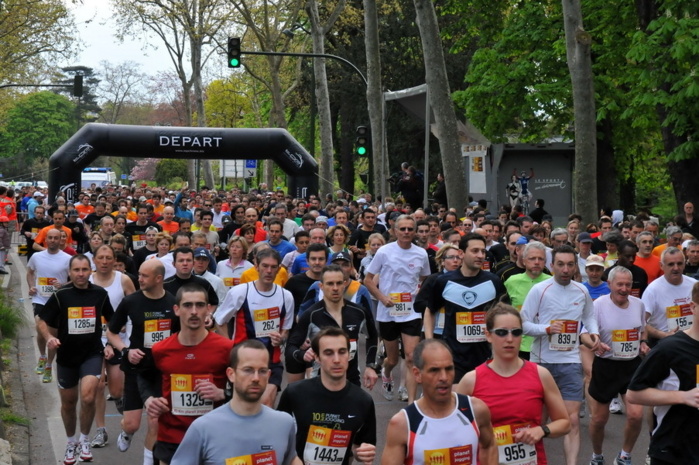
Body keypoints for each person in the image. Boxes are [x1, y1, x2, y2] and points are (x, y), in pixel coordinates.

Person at [456, 303, 570, 465]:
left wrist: (541, 430)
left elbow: (564, 423)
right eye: (501, 333)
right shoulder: (471, 380)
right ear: (488, 335)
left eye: (516, 333)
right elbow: (455, 431)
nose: (509, 339)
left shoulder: (540, 374)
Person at [521, 245, 600, 465]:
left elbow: (590, 317)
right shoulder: (540, 290)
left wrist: (592, 333)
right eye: (560, 264)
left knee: (571, 420)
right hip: (542, 363)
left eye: (570, 264)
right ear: (551, 265)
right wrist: (545, 329)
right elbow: (523, 324)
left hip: (570, 361)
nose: (565, 269)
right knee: (539, 421)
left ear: (576, 266)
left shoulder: (582, 291)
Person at [139, 283, 234, 464]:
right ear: (176, 309)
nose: (194, 311)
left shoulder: (226, 348)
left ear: (208, 309)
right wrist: (149, 399)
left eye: (199, 305)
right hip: (172, 437)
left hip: (215, 436)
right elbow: (144, 376)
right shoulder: (160, 349)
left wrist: (224, 393)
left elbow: (246, 388)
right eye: (187, 305)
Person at [36, 254, 115, 465]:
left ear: (91, 271)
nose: (81, 274)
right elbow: (42, 321)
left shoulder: (100, 294)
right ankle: (71, 442)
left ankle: (85, 439)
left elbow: (113, 320)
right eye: (76, 270)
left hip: (91, 353)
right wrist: (50, 338)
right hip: (66, 356)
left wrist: (110, 343)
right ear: (70, 272)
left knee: (88, 397)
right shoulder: (61, 295)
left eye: (84, 270)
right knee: (69, 403)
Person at [170, 339, 300, 465]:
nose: (256, 378)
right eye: (248, 370)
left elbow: (291, 459)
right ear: (231, 374)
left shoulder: (284, 423)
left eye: (262, 371)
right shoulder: (203, 428)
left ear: (269, 375)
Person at [381, 339, 497, 465]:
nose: (444, 377)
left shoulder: (476, 410)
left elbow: (490, 446)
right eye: (434, 370)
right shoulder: (402, 424)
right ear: (417, 374)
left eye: (449, 369)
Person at [107, 259, 178, 464]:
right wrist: (126, 350)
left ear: (158, 278)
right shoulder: (131, 302)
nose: (139, 279)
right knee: (132, 424)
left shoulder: (172, 303)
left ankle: (148, 461)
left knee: (155, 421)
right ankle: (126, 433)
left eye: (144, 276)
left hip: (161, 371)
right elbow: (111, 333)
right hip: (136, 370)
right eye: (139, 274)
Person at [580, 266, 649, 465]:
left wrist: (643, 343)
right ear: (610, 284)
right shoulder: (599, 305)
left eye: (628, 284)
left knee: (636, 416)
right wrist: (593, 342)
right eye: (620, 284)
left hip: (631, 366)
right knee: (599, 420)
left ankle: (624, 455)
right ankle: (597, 455)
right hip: (606, 366)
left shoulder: (638, 304)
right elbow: (584, 334)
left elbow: (642, 331)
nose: (624, 289)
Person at [278, 327, 376, 465]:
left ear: (349, 355)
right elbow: (277, 438)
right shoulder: (295, 393)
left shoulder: (363, 401)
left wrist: (362, 453)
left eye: (342, 352)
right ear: (317, 357)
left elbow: (360, 447)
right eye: (328, 353)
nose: (336, 359)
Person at [627, 281, 699, 465]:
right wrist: (682, 397)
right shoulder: (669, 349)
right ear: (693, 307)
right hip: (673, 450)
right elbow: (634, 393)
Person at [215, 247, 295, 407]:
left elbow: (286, 329)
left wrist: (281, 338)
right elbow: (219, 320)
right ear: (256, 266)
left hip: (271, 360)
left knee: (266, 402)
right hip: (244, 360)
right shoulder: (240, 292)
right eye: (265, 266)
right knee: (243, 406)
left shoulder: (286, 296)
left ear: (279, 269)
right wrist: (231, 347)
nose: (269, 271)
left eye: (273, 267)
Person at [364, 215, 431, 403]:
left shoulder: (421, 253)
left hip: (410, 311)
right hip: (388, 311)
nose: (407, 232)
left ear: (415, 231)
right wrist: (382, 298)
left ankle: (410, 401)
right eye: (403, 229)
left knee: (410, 357)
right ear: (395, 231)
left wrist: (416, 291)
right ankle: (386, 372)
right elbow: (367, 281)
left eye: (410, 229)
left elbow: (425, 277)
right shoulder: (384, 252)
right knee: (392, 359)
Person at [424, 233, 507, 379]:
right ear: (461, 253)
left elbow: (504, 316)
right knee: (458, 400)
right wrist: (430, 342)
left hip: (486, 356)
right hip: (453, 356)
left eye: (483, 251)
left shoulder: (493, 281)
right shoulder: (443, 281)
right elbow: (430, 310)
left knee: (481, 401)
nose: (480, 255)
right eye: (475, 251)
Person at [286, 265, 378, 388]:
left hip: (351, 381)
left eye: (339, 283)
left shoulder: (359, 312)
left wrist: (370, 366)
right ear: (321, 286)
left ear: (345, 284)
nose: (335, 288)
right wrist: (302, 355)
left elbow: (372, 336)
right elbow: (291, 346)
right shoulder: (312, 315)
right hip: (319, 383)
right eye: (330, 284)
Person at [88, 244, 137, 448]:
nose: (105, 261)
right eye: (101, 257)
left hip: (118, 339)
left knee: (116, 389)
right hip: (92, 340)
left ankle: (125, 414)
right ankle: (101, 431)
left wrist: (130, 339)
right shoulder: (87, 280)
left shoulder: (123, 280)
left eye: (109, 258)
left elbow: (135, 307)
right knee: (99, 385)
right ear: (95, 260)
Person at [26, 228, 72, 383]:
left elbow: (74, 279)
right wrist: (31, 286)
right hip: (40, 298)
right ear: (45, 239)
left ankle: (48, 365)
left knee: (52, 334)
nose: (52, 240)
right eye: (50, 238)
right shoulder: (37, 256)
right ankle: (42, 355)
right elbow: (30, 273)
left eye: (56, 238)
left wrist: (63, 285)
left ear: (61, 240)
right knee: (40, 328)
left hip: (57, 300)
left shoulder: (67, 258)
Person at [642, 246, 696, 347]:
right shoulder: (652, 290)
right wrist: (664, 335)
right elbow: (641, 321)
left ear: (684, 264)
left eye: (679, 263)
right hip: (663, 344)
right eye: (671, 264)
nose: (676, 268)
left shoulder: (694, 285)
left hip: (691, 342)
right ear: (661, 266)